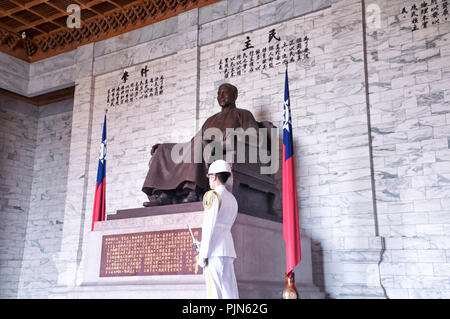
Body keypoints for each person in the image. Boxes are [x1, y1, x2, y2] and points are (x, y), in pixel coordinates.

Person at [142, 83, 259, 206]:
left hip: (222, 148)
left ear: (235, 95)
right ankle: (164, 194)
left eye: (225, 93)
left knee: (200, 144)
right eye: (219, 94)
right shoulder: (211, 119)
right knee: (164, 148)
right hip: (203, 146)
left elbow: (254, 137)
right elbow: (192, 141)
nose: (221, 96)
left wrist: (232, 139)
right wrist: (168, 148)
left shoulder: (243, 114)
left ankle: (194, 191)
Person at [197, 159, 239, 299]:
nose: (209, 180)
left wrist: (203, 255)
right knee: (229, 292)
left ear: (214, 177)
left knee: (214, 293)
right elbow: (227, 225)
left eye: (209, 177)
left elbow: (209, 227)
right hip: (228, 249)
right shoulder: (232, 198)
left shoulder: (212, 195)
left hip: (214, 251)